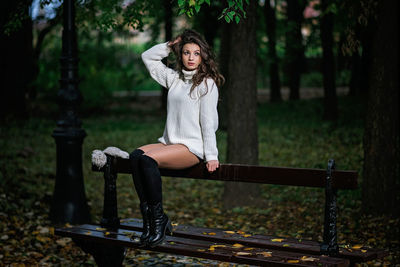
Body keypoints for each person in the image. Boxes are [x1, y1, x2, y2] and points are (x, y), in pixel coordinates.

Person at [129, 29, 224, 248]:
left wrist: (211, 155)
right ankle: (150, 221)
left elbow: (209, 122)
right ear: (180, 55)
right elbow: (147, 57)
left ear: (203, 57)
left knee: (147, 160)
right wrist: (171, 44)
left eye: (196, 53)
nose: (191, 58)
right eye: (186, 52)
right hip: (172, 143)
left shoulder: (207, 84)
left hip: (192, 148)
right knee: (135, 156)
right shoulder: (174, 79)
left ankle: (159, 220)